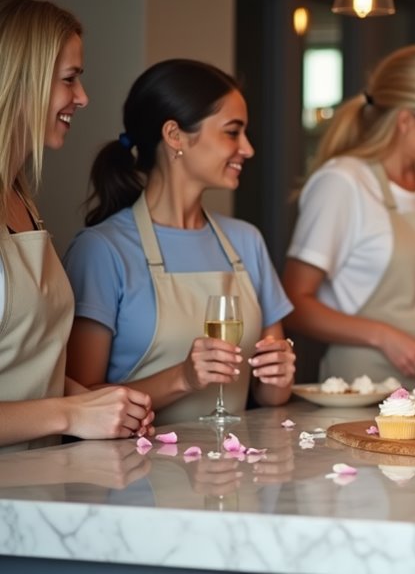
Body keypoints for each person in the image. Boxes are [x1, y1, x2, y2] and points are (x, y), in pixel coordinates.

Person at [63, 59, 295, 426]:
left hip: (233, 474)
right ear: (174, 136)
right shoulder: (102, 250)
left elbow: (270, 397)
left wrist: (278, 374)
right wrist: (182, 378)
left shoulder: (246, 242)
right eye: (232, 132)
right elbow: (76, 401)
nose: (247, 149)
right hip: (131, 477)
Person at [283, 44, 415, 385]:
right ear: (406, 120)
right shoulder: (343, 183)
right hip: (362, 390)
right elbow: (294, 303)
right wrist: (383, 336)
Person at [0, 0, 154, 452]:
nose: (83, 97)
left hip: (37, 493)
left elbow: (26, 368)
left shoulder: (22, 198)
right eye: (69, 79)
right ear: (20, 79)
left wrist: (101, 403)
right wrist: (72, 413)